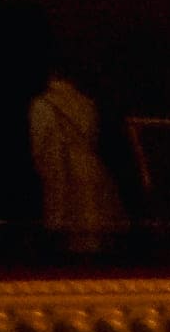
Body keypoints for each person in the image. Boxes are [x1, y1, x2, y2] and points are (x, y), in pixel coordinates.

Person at [28, 75, 126, 252]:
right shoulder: (87, 104)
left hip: (65, 176)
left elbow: (41, 148)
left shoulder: (42, 106)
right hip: (94, 177)